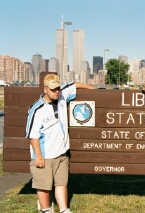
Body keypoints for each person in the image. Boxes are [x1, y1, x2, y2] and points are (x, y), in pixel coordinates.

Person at [25, 73, 94, 213]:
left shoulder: (62, 94)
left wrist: (96, 91)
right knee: (43, 186)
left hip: (62, 153)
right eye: (53, 89)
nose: (56, 92)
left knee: (61, 184)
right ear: (45, 89)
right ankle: (45, 210)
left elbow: (75, 84)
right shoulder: (37, 110)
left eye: (58, 88)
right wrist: (38, 157)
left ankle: (64, 209)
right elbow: (33, 136)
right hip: (45, 155)